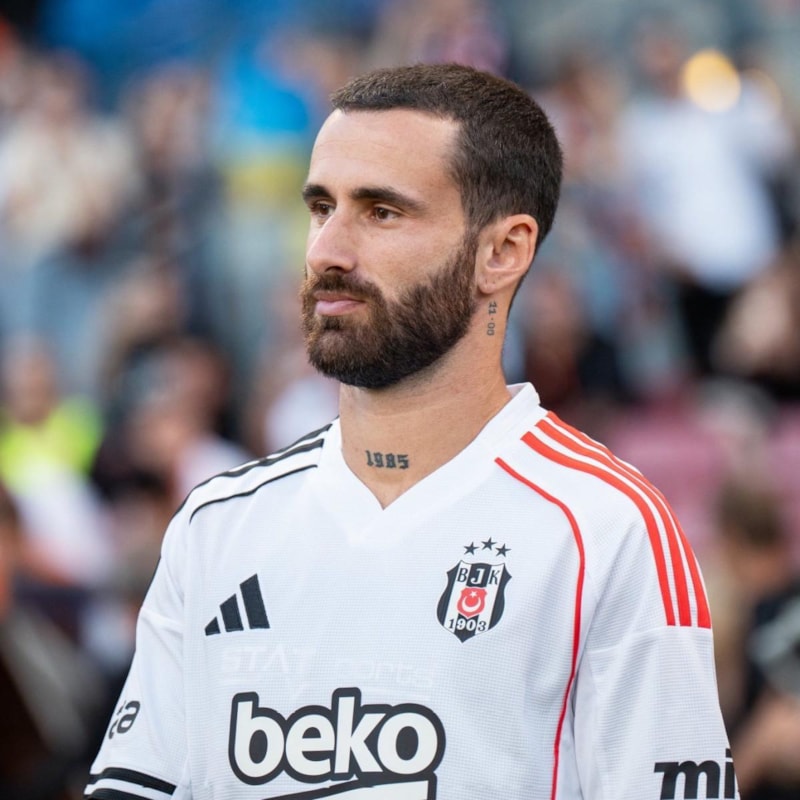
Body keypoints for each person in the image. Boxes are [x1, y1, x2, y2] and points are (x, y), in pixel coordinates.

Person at [84, 63, 735, 800]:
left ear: (503, 252)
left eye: (382, 212)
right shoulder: (217, 525)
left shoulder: (606, 529)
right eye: (321, 207)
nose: (326, 251)